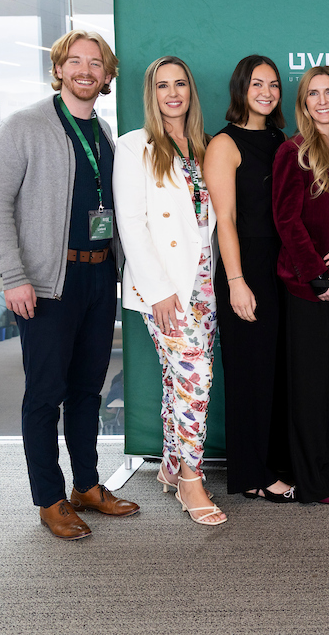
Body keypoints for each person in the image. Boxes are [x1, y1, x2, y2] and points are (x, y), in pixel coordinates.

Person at [0, 30, 139, 540]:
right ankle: (49, 498)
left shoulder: (103, 132)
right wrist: (14, 277)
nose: (85, 70)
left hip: (96, 277)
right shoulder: (24, 127)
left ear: (107, 75)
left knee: (87, 390)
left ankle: (87, 486)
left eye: (96, 63)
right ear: (60, 68)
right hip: (47, 284)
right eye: (76, 61)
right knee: (45, 395)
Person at [115, 55, 225, 526]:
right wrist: (158, 290)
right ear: (151, 93)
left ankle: (169, 462)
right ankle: (191, 479)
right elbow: (132, 224)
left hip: (205, 281)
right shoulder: (134, 146)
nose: (173, 93)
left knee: (176, 379)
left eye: (181, 83)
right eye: (163, 86)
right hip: (166, 288)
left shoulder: (205, 146)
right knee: (195, 382)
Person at [203, 55, 296, 503]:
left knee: (273, 371)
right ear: (241, 88)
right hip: (247, 267)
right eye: (257, 83)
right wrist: (237, 281)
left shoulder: (280, 138)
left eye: (274, 84)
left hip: (281, 266)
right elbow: (226, 219)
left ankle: (270, 461)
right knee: (249, 374)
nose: (267, 92)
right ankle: (251, 475)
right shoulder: (225, 144)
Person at [272, 66, 329, 506]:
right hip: (310, 286)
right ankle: (312, 481)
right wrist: (316, 276)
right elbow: (286, 222)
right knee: (310, 388)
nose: (322, 101)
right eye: (313, 94)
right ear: (303, 102)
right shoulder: (293, 152)